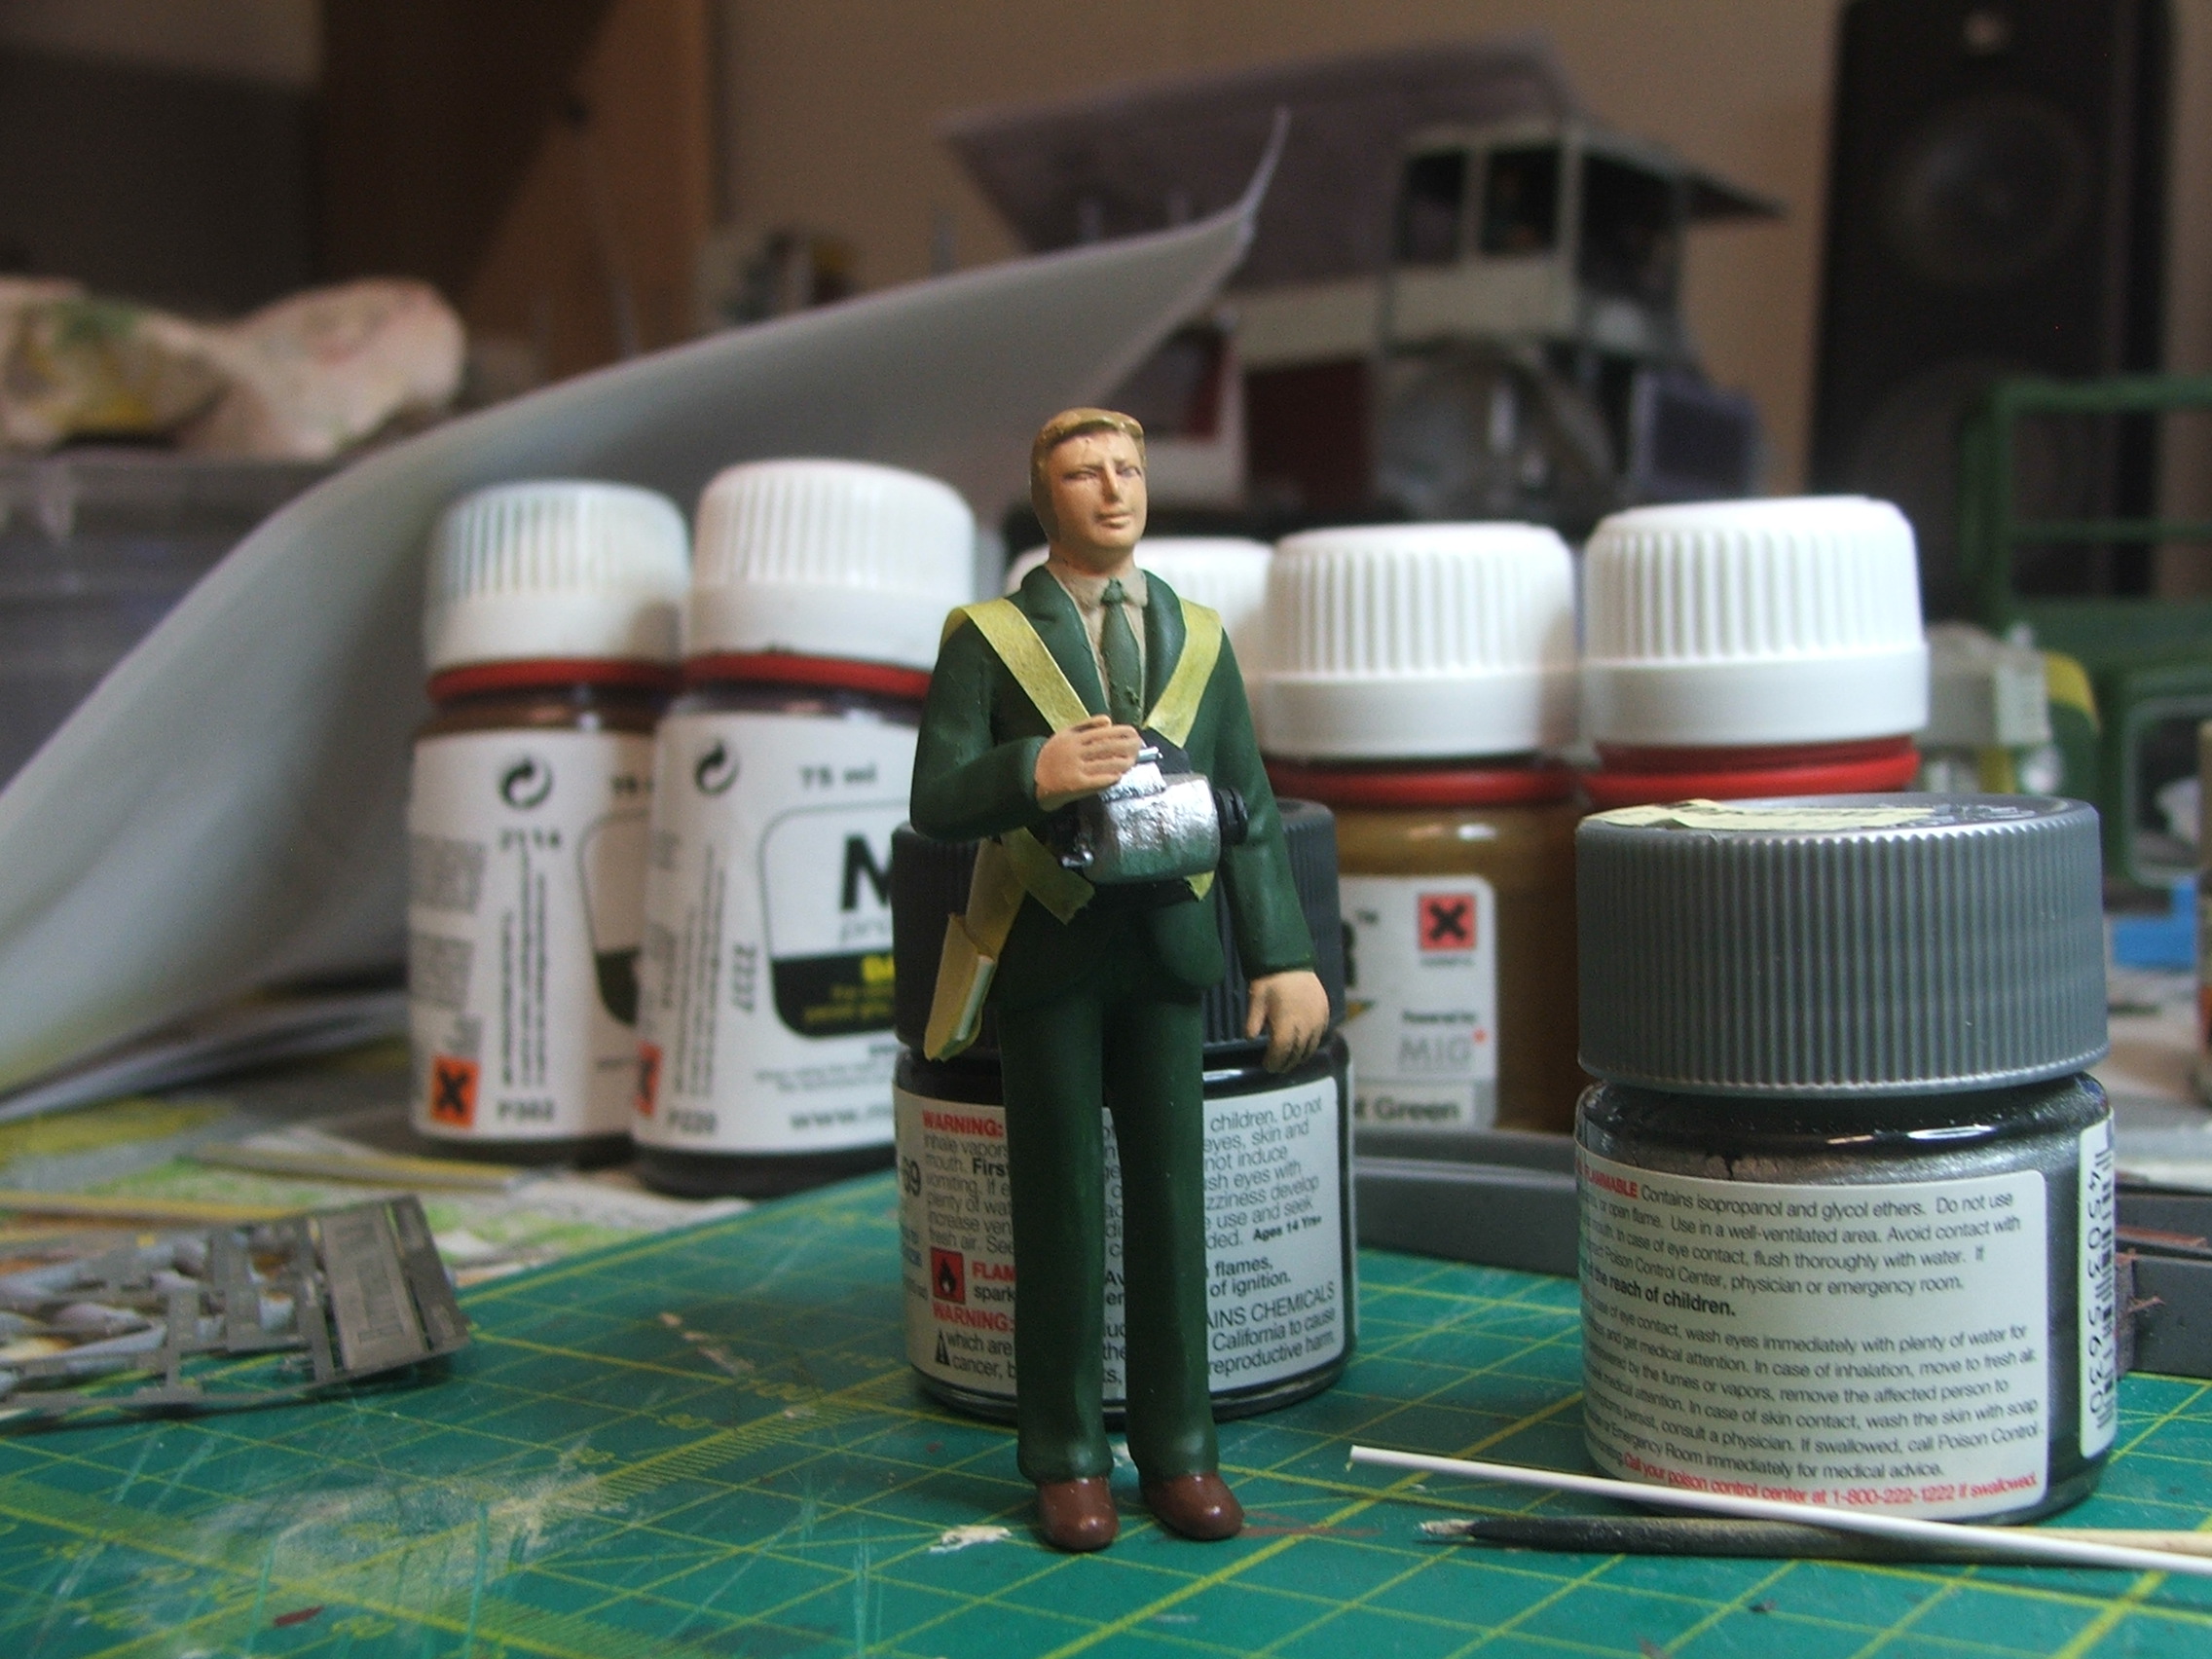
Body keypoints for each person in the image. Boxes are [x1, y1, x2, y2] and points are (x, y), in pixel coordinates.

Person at [910, 408, 1329, 1551]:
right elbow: (937, 799)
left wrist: (1284, 957)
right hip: (1050, 947)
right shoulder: (989, 638)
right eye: (1084, 473)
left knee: (1173, 1208)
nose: (1113, 490)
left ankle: (1180, 1448)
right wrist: (1033, 769)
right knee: (1056, 1210)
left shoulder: (1200, 636)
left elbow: (1248, 807)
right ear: (1044, 497)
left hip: (1168, 951)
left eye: (1129, 469)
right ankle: (1064, 1457)